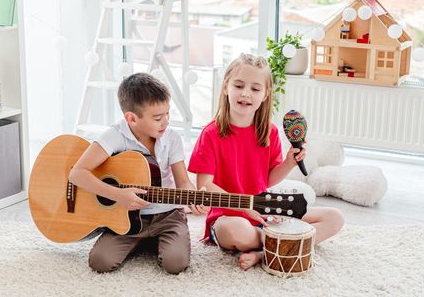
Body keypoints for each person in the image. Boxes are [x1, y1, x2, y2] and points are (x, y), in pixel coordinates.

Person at [188, 53, 344, 270]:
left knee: (334, 218)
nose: (245, 94)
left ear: (265, 94)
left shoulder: (269, 132)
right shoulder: (211, 134)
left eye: (255, 88)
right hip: (227, 218)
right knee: (240, 231)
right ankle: (284, 243)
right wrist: (245, 207)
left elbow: (267, 181)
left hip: (265, 211)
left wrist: (289, 163)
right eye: (239, 85)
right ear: (226, 87)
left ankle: (264, 253)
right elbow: (204, 186)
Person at [69, 73, 208, 274]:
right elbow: (77, 174)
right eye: (158, 118)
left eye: (168, 113)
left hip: (167, 217)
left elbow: (183, 182)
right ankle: (143, 241)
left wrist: (195, 196)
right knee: (100, 262)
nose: (166, 122)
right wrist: (117, 195)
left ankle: (154, 241)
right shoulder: (115, 135)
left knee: (175, 264)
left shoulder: (172, 138)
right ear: (131, 118)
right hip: (126, 219)